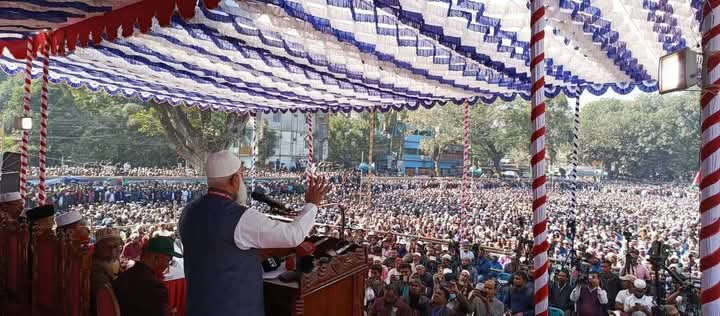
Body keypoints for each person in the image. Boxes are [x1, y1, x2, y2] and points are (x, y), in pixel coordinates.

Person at [179, 150, 330, 316]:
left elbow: (214, 251)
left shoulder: (189, 212)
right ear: (235, 179)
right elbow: (293, 235)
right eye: (241, 176)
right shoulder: (239, 216)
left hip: (197, 307)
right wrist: (312, 204)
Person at [113, 236, 182, 316]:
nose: (168, 265)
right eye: (168, 260)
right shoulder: (155, 286)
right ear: (155, 258)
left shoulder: (125, 275)